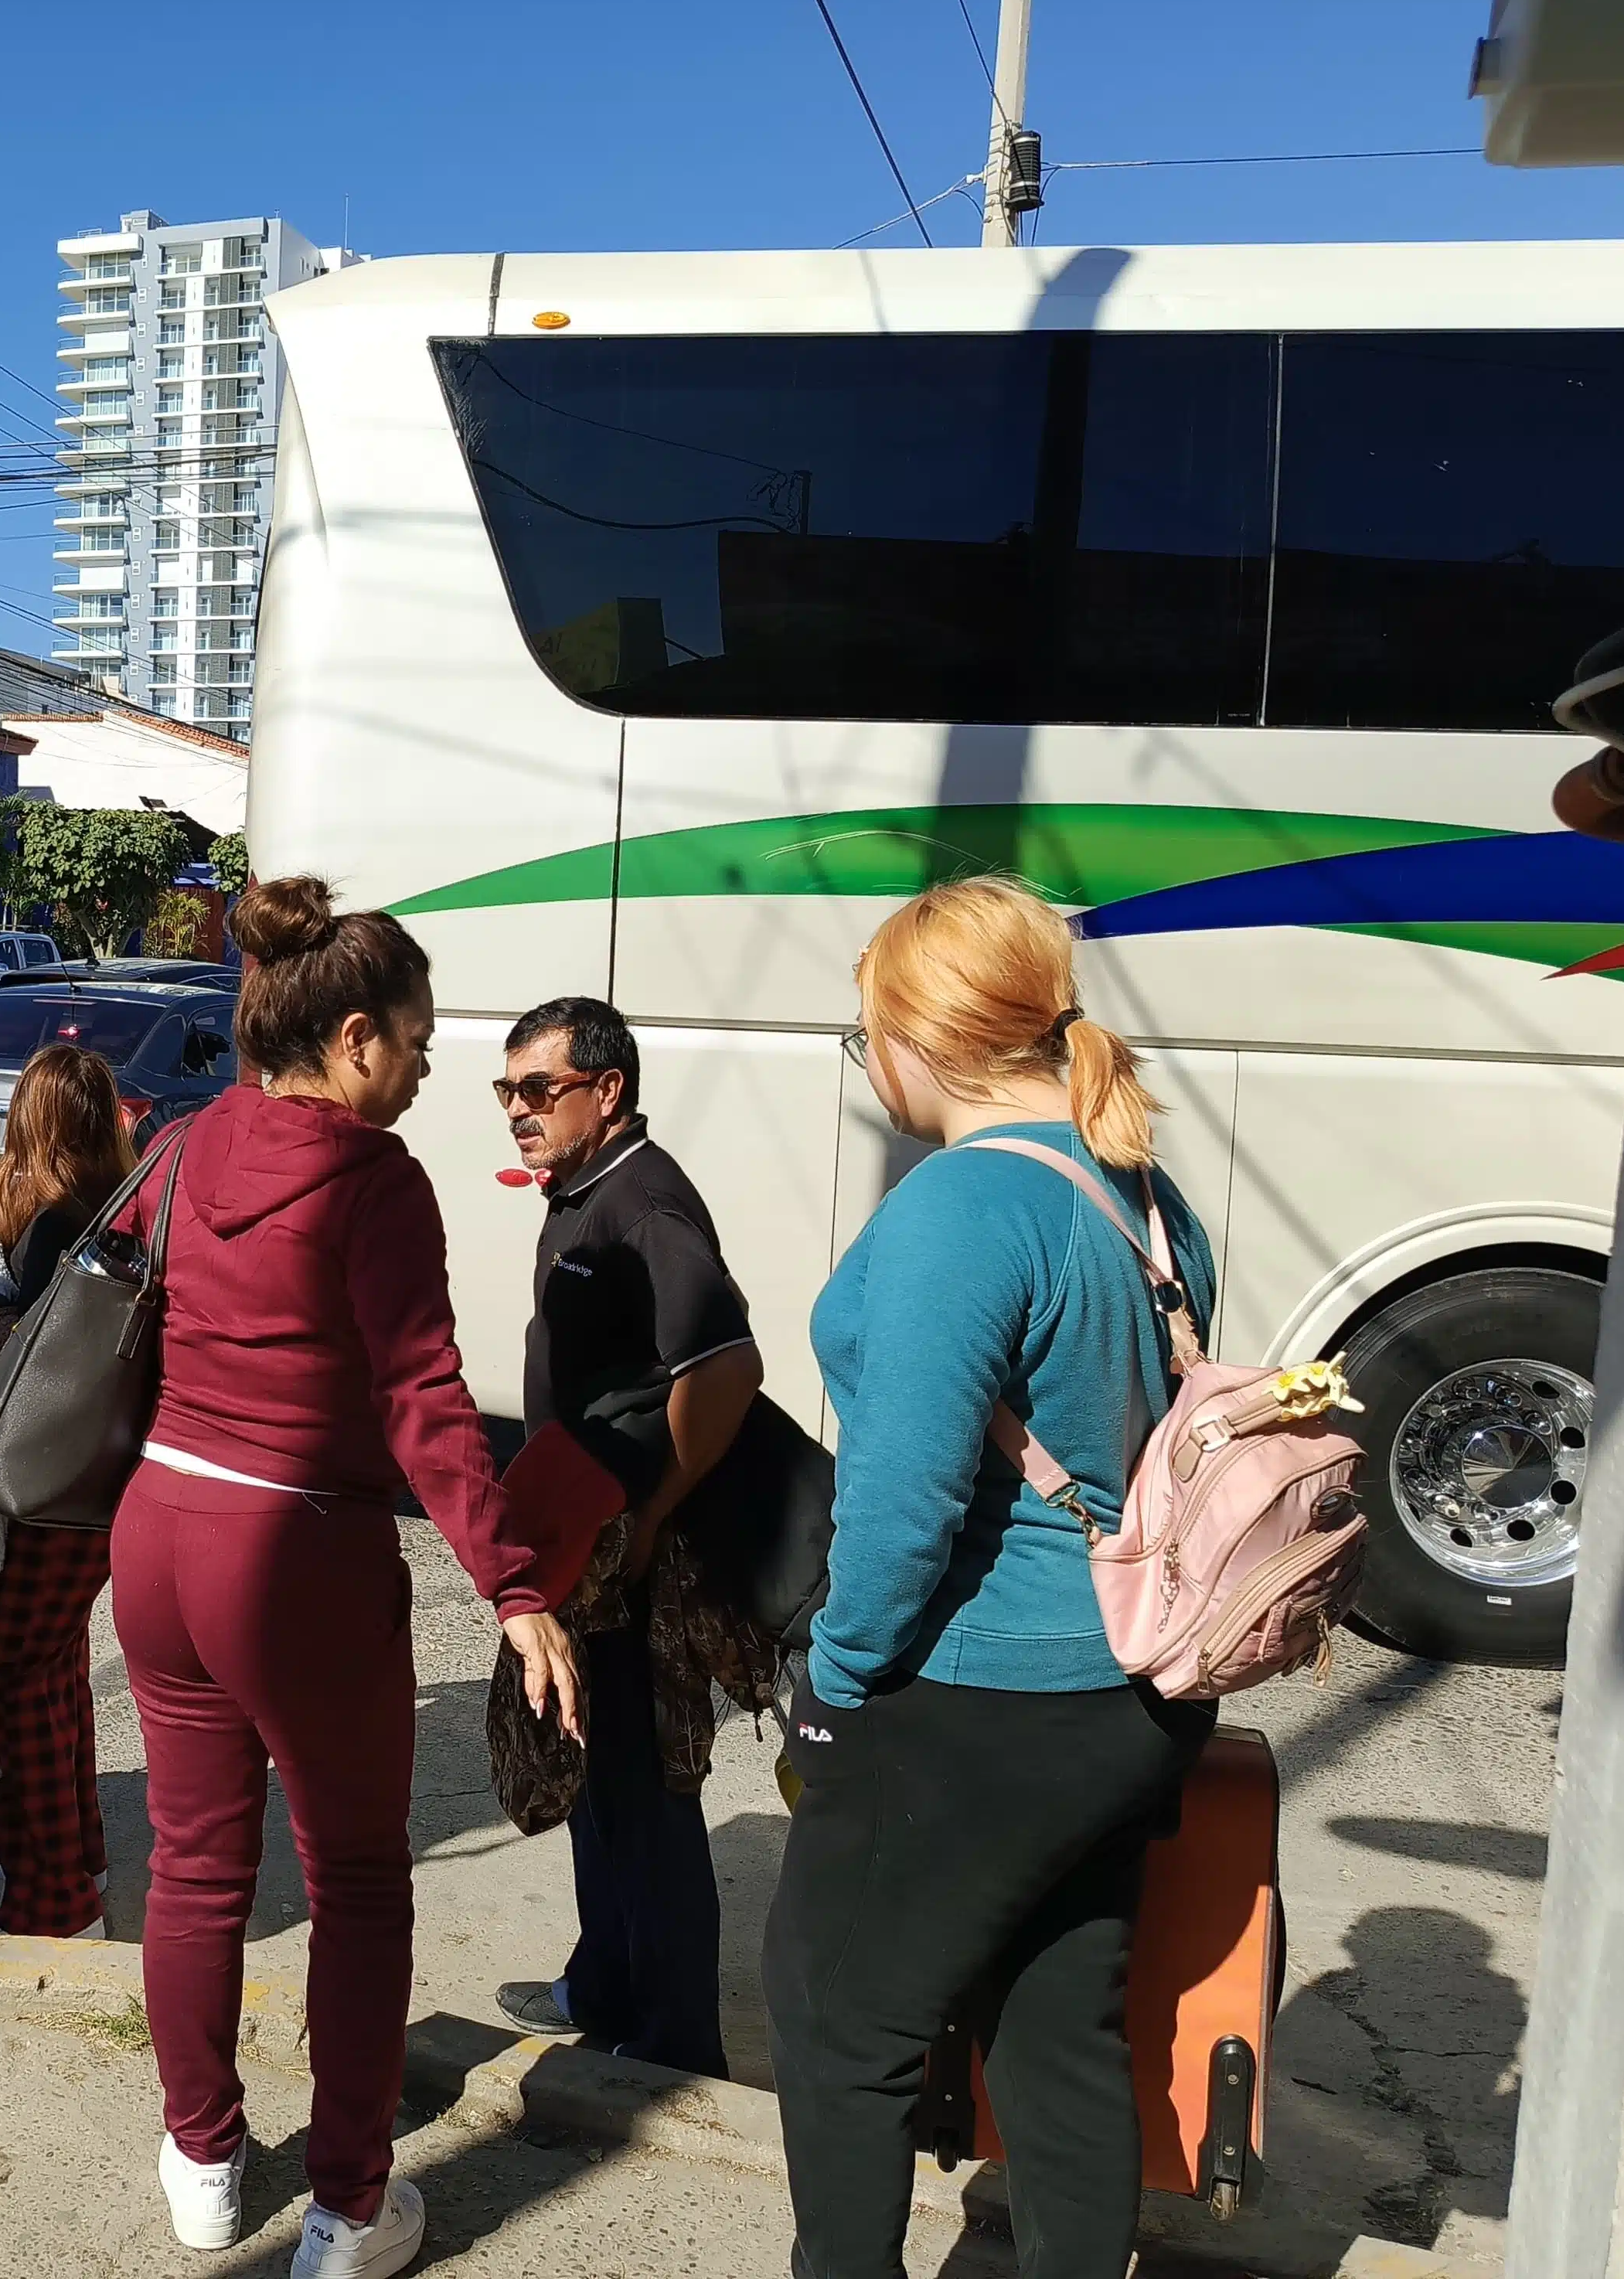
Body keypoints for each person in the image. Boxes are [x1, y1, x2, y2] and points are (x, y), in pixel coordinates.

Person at [113, 875, 584, 2279]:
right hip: (294, 1552)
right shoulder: (374, 1181)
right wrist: (512, 1583)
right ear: (358, 1035)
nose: (432, 1071)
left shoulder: (187, 1145)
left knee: (194, 1870)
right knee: (360, 1883)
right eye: (422, 1044)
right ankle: (346, 2209)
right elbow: (424, 1399)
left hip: (159, 1531)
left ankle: (200, 2160)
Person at [765, 876, 1221, 2279]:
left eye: (864, 1035)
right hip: (1129, 1691)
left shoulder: (960, 1207)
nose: (871, 1065)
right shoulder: (1140, 1192)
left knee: (842, 2027)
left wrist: (833, 1683)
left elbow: (900, 1509)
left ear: (916, 1032)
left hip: (974, 1698)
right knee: (1054, 2031)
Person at [489, 995, 764, 2080]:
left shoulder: (644, 1206)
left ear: (607, 1091)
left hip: (635, 1558)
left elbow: (727, 1370)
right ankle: (602, 1989)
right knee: (595, 1776)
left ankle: (672, 2047)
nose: (517, 1109)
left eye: (538, 1089)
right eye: (507, 1091)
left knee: (649, 1799)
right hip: (582, 1548)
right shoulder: (582, 1191)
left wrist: (652, 1515)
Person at [0, 1041, 139, 1935]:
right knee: (56, 1668)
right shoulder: (119, 1209)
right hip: (104, 1483)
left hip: (47, 1488)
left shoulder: (48, 1227)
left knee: (13, 1679)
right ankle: (74, 1861)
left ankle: (55, 1898)